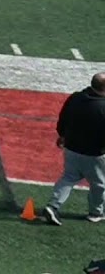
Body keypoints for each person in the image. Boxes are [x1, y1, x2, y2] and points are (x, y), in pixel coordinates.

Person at [43, 73, 105, 226]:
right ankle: (96, 213)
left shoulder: (76, 97)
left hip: (71, 148)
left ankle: (53, 205)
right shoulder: (103, 106)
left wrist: (62, 135)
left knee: (68, 178)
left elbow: (63, 117)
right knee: (99, 184)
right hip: (94, 153)